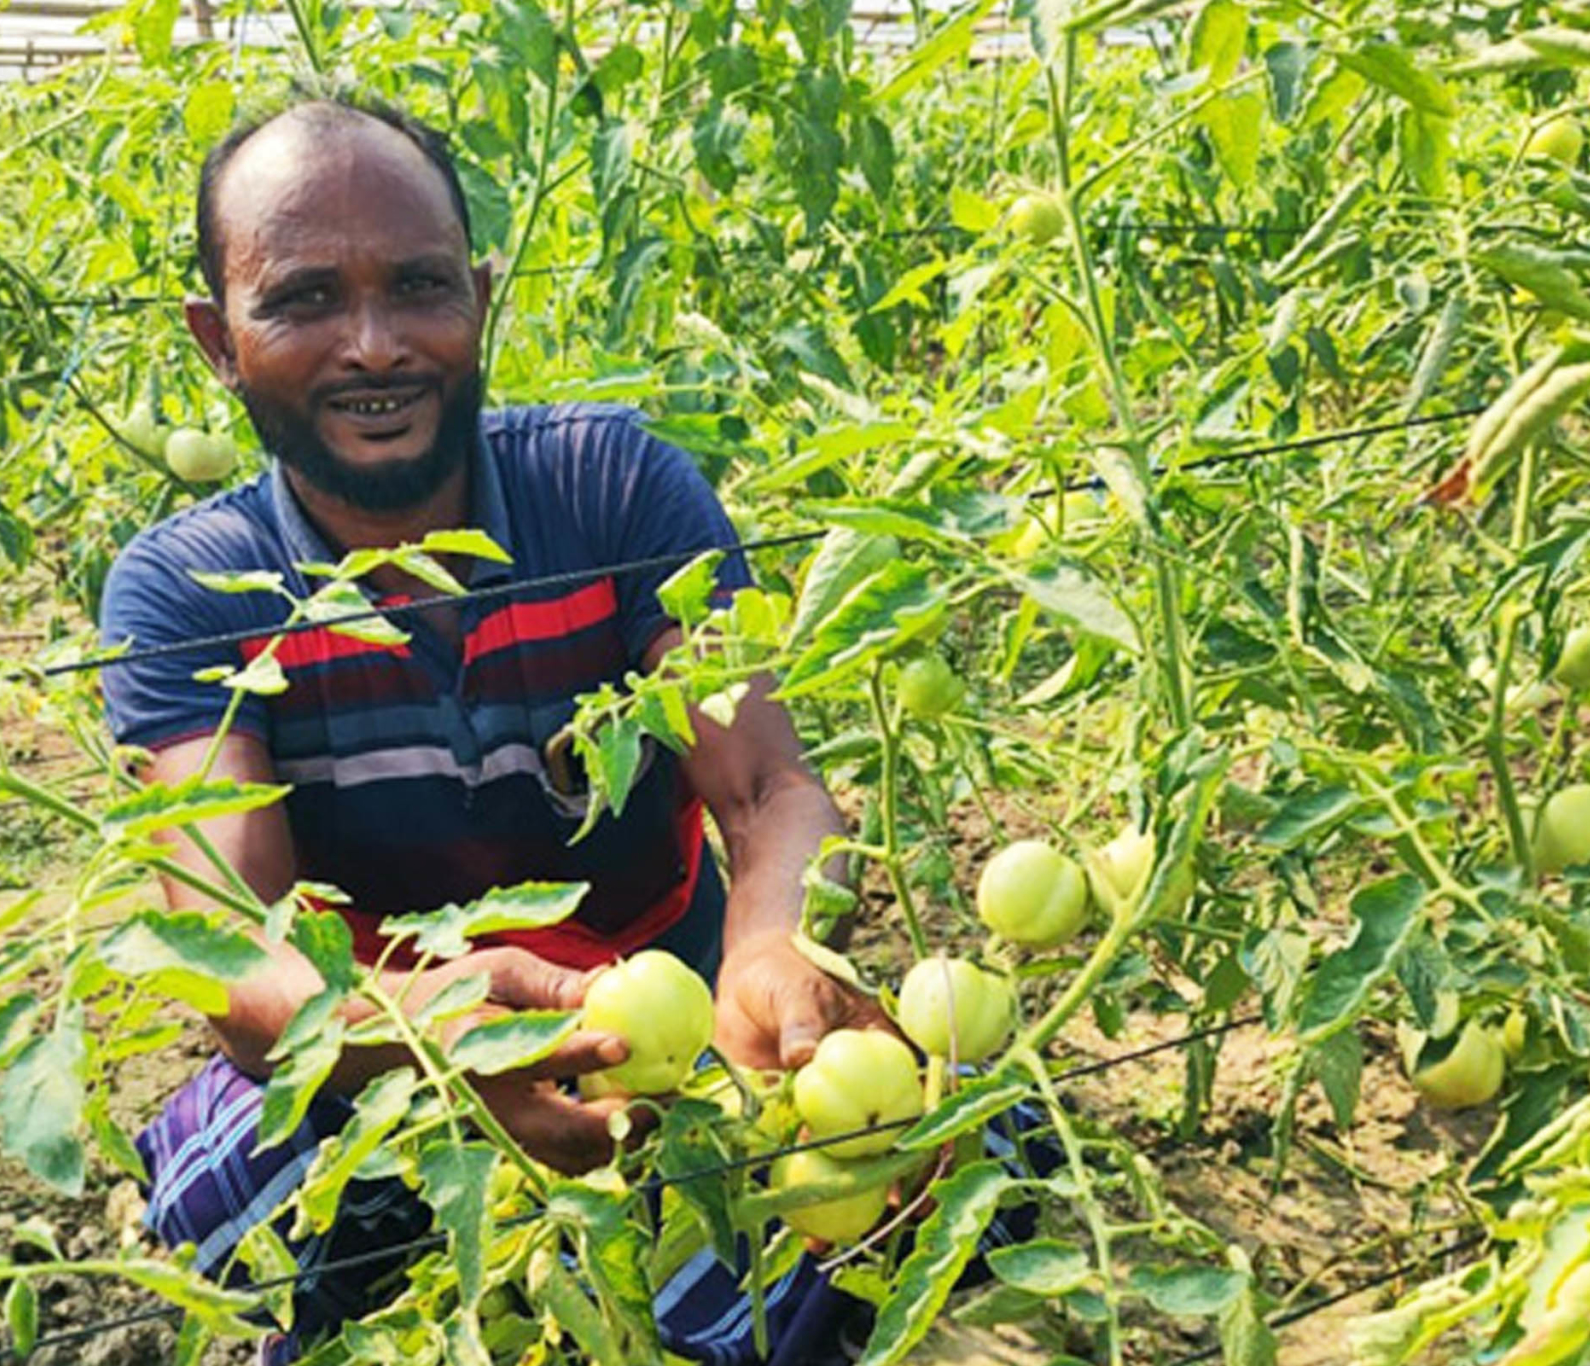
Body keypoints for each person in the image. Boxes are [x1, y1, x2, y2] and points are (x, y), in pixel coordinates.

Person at [99, 93, 1010, 1364]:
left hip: (675, 1017)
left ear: (480, 299)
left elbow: (767, 787)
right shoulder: (188, 589)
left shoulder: (616, 485)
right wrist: (410, 1030)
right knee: (261, 1250)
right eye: (303, 299)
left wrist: (770, 949)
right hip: (378, 1040)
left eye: (418, 286)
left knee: (911, 1188)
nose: (373, 346)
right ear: (216, 337)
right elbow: (222, 934)